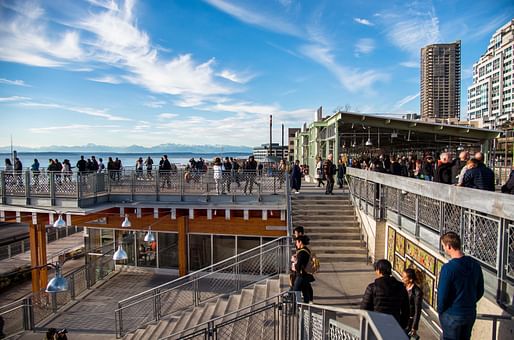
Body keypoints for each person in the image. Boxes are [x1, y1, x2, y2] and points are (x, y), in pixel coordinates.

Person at [438, 232, 484, 340]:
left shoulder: (448, 269)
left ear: (449, 246)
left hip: (452, 314)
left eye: (443, 246)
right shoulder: (475, 265)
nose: (444, 249)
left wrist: (441, 311)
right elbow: (480, 290)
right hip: (469, 313)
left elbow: (442, 296)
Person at [360, 259, 409, 329]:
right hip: (395, 325)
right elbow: (406, 310)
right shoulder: (401, 287)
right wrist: (401, 326)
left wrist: (369, 326)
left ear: (379, 271)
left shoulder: (372, 287)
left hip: (377, 325)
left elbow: (364, 309)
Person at [292, 235, 314, 303]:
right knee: (305, 293)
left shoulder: (302, 253)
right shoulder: (307, 250)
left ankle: (297, 309)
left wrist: (294, 262)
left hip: (301, 276)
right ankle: (306, 309)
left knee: (296, 292)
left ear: (300, 242)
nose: (296, 244)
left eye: (297, 242)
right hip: (306, 275)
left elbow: (298, 267)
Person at [402, 268, 423, 339]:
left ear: (410, 280)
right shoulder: (402, 286)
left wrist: (414, 327)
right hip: (400, 317)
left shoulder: (417, 292)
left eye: (404, 277)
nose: (402, 279)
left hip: (409, 321)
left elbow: (417, 311)